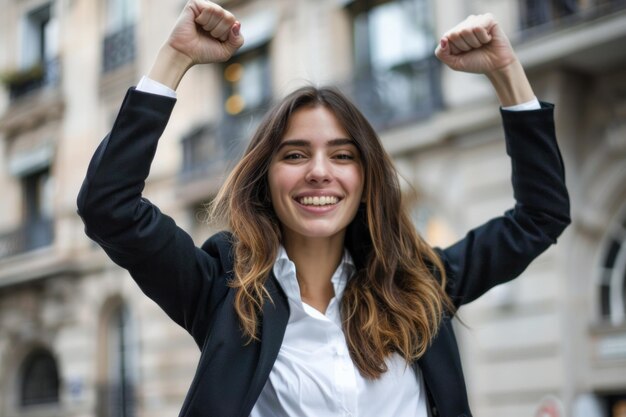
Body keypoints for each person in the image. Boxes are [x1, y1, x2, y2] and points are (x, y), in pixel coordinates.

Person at [77, 1, 570, 416]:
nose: (319, 171)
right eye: (294, 155)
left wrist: (508, 74)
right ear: (265, 178)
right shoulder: (223, 291)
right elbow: (109, 205)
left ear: (365, 177)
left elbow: (540, 216)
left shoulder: (419, 284)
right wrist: (174, 58)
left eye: (342, 155)